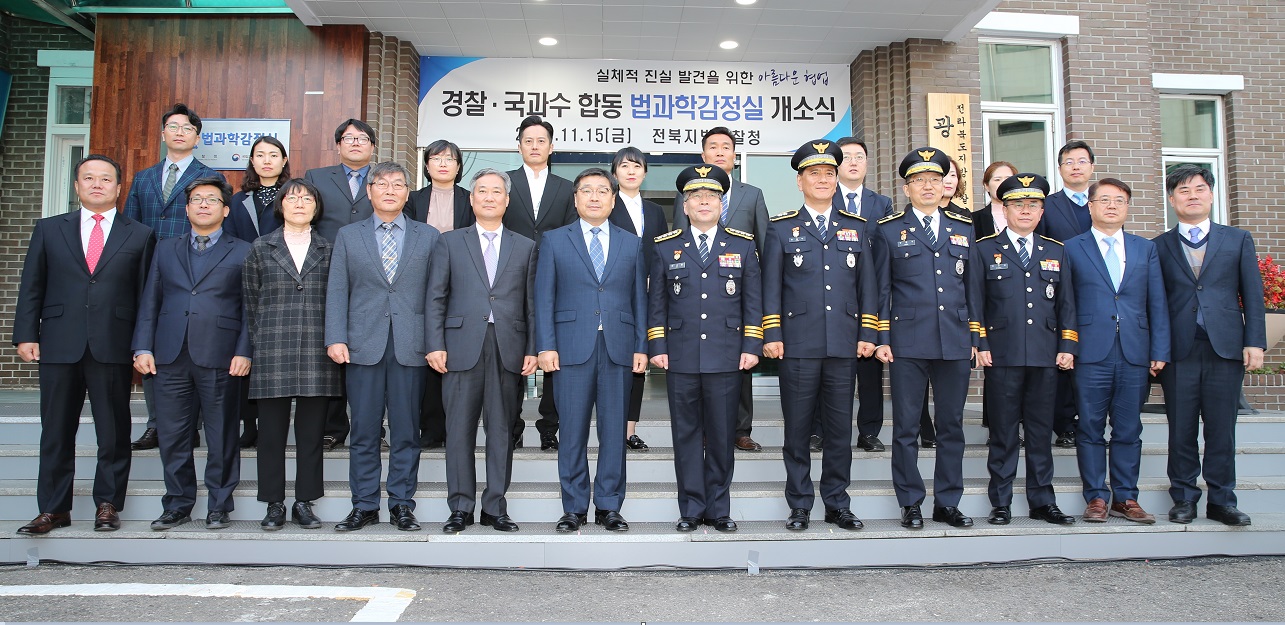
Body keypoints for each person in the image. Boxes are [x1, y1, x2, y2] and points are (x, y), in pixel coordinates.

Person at [12, 155, 155, 535]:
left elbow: (146, 296)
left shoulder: (139, 234)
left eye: (105, 179)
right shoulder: (49, 229)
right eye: (88, 178)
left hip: (113, 343)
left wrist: (142, 344)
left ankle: (107, 504)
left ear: (119, 187)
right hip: (58, 343)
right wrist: (26, 334)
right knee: (56, 430)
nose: (97, 184)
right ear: (76, 186)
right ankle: (53, 508)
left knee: (113, 430)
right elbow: (32, 285)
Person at [761, 140, 876, 531]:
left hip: (844, 342)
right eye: (814, 174)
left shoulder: (856, 227)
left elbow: (867, 286)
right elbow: (771, 287)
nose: (823, 179)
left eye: (829, 173)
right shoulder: (781, 228)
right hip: (797, 344)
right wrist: (772, 332)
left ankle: (837, 503)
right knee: (797, 430)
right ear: (800, 181)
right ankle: (799, 504)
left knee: (840, 430)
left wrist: (868, 331)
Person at [325, 162, 440, 532]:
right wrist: (335, 337)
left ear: (408, 193)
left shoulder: (429, 236)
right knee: (364, 431)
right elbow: (337, 289)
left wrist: (436, 342)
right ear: (369, 190)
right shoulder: (349, 235)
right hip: (362, 344)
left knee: (406, 430)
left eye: (398, 184)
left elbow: (437, 295)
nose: (390, 190)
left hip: (412, 344)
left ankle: (402, 504)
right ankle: (364, 505)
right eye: (382, 184)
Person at [871, 147, 982, 530]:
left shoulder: (963, 228)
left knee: (951, 425)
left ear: (944, 185)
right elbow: (882, 289)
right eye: (920, 181)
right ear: (907, 188)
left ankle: (948, 503)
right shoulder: (888, 230)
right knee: (906, 427)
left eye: (935, 179)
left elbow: (972, 288)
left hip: (954, 338)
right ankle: (911, 502)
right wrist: (882, 337)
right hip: (907, 340)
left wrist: (975, 336)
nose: (929, 186)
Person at [132, 176, 252, 531]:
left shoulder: (244, 250)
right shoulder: (165, 248)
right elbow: (150, 300)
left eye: (211, 199)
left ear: (225, 210)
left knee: (222, 435)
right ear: (186, 209)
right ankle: (177, 503)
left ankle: (219, 504)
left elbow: (251, 308)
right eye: (197, 199)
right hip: (169, 355)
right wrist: (143, 346)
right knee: (172, 435)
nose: (203, 204)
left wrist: (244, 351)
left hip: (222, 355)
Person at [648, 164, 762, 533]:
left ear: (721, 204)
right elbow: (657, 302)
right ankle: (691, 509)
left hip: (727, 355)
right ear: (684, 205)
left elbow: (753, 301)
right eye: (695, 196)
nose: (703, 202)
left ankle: (718, 509)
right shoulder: (666, 247)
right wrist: (657, 344)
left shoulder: (742, 245)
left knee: (722, 436)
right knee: (685, 437)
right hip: (680, 356)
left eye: (711, 196)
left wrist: (752, 344)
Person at [535, 167, 648, 533]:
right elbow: (543, 297)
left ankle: (609, 506)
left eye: (602, 190)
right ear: (576, 198)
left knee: (614, 432)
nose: (595, 197)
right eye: (587, 190)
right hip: (570, 348)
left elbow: (639, 299)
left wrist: (641, 345)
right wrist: (545, 345)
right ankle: (574, 507)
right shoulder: (555, 240)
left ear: (614, 200)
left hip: (619, 348)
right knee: (572, 432)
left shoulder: (631, 243)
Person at [427, 168, 538, 534]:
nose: (489, 197)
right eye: (482, 191)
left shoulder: (525, 246)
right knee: (458, 429)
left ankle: (495, 507)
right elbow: (436, 297)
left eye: (496, 192)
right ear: (472, 199)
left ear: (507, 201)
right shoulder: (449, 242)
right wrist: (435, 344)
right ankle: (460, 507)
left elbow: (531, 304)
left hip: (508, 347)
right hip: (459, 347)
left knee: (501, 430)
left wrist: (533, 349)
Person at [1155, 165, 1264, 526]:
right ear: (1172, 200)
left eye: (1199, 189)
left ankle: (1222, 500)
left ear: (1212, 195)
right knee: (1181, 429)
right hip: (1179, 351)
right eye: (1183, 191)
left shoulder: (1237, 239)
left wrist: (1255, 342)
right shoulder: (1159, 246)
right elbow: (1155, 302)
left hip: (1225, 348)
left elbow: (1253, 294)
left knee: (1221, 429)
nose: (1192, 196)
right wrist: (1157, 349)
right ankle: (1184, 497)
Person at [972, 173, 1078, 526]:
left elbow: (1067, 304)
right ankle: (1001, 501)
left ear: (1042, 210)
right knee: (1003, 434)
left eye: (1033, 204)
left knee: (1040, 433)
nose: (1026, 211)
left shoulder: (1056, 250)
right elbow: (976, 302)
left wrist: (1067, 345)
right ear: (1004, 209)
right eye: (1018, 204)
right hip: (1002, 355)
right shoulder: (985, 249)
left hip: (1046, 355)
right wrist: (980, 343)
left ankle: (1042, 501)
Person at [1064, 177, 1169, 524]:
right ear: (1090, 206)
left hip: (1134, 352)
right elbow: (1066, 303)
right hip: (1089, 352)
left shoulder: (1145, 248)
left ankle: (1126, 497)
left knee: (1128, 429)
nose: (1112, 206)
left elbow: (1157, 301)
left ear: (1127, 207)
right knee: (1090, 427)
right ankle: (1096, 496)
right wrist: (1068, 345)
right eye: (1105, 199)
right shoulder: (1071, 248)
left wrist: (1159, 348)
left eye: (1119, 200)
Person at [241, 178, 342, 531]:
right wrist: (259, 342)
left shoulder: (330, 249)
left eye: (307, 198)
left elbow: (338, 300)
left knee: (311, 434)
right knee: (270, 434)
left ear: (317, 207)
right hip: (273, 349)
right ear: (280, 205)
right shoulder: (260, 247)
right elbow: (251, 301)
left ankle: (304, 501)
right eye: (292, 198)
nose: (299, 203)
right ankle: (273, 503)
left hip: (317, 349)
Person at [124, 103, 225, 452]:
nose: (180, 132)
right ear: (163, 133)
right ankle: (158, 424)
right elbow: (130, 227)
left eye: (187, 128)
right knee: (155, 347)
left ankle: (191, 425)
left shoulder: (210, 177)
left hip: (196, 273)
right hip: (151, 273)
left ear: (197, 138)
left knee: (194, 347)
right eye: (173, 126)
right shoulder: (143, 178)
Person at [672, 127, 771, 452]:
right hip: (696, 291)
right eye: (712, 147)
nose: (719, 151)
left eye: (725, 147)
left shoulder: (752, 193)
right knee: (699, 368)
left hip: (736, 292)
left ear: (734, 155)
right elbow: (678, 240)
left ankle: (741, 429)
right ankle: (704, 430)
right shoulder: (687, 196)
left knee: (741, 364)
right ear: (703, 155)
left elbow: (764, 243)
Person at [503, 115, 578, 452]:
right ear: (519, 146)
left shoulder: (566, 187)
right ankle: (512, 426)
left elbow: (571, 234)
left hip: (555, 279)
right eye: (528, 141)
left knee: (553, 355)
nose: (534, 146)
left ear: (551, 146)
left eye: (541, 141)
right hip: (509, 278)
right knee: (512, 354)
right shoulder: (504, 182)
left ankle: (550, 427)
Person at [305, 118, 377, 452]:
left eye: (363, 138)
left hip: (373, 276)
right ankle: (333, 426)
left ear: (372, 146)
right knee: (332, 351)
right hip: (327, 272)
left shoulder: (384, 178)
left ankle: (372, 427)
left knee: (370, 352)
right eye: (349, 138)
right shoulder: (317, 178)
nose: (356, 143)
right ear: (338, 145)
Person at [406, 139, 476, 450]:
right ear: (427, 165)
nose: (443, 163)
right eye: (436, 158)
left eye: (450, 159)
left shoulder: (470, 199)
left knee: (456, 355)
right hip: (421, 283)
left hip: (461, 283)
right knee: (430, 354)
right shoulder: (413, 199)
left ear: (459, 167)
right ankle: (432, 428)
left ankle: (456, 428)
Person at [226, 134, 289, 449]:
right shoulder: (238, 201)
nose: (267, 160)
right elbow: (230, 239)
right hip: (246, 278)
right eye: (260, 155)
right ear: (251, 161)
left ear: (283, 160)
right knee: (245, 350)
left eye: (273, 154)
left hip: (282, 281)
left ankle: (271, 423)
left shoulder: (293, 196)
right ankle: (249, 425)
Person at [831, 137, 894, 454]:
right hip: (834, 293)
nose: (853, 162)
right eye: (846, 157)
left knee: (869, 371)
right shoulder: (824, 196)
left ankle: (869, 431)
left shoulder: (881, 203)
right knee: (829, 368)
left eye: (859, 156)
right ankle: (822, 430)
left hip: (870, 294)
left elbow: (886, 253)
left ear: (867, 163)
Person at [608, 147, 669, 451]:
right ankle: (610, 426)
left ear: (645, 173)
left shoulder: (655, 211)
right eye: (624, 166)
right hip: (613, 296)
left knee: (638, 361)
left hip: (645, 298)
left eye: (637, 166)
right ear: (614, 172)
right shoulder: (606, 204)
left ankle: (629, 430)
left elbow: (662, 254)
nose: (631, 171)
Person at [1040, 141, 1098, 449]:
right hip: (1059, 292)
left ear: (1091, 166)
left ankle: (1091, 422)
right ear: (1060, 168)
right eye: (1069, 162)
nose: (1076, 167)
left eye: (1082, 161)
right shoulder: (1048, 205)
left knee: (1093, 358)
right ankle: (1064, 425)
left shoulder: (1103, 201)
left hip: (1097, 293)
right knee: (1063, 356)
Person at [973, 161, 1016, 239]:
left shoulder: (1030, 215)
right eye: (997, 180)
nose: (1003, 183)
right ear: (986, 186)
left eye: (1008, 179)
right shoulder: (974, 219)